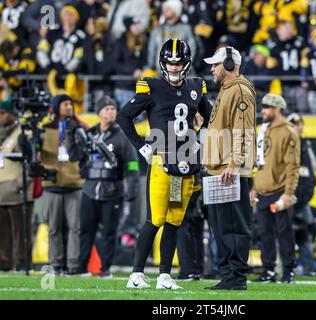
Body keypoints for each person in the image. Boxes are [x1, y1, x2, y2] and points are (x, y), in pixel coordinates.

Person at [117, 39, 212, 290]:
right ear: (163, 63)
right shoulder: (151, 86)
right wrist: (141, 145)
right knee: (156, 218)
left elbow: (210, 115)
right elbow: (124, 116)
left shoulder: (196, 86)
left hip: (186, 162)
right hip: (161, 160)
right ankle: (136, 274)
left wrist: (201, 139)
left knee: (175, 220)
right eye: (170, 62)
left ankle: (164, 276)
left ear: (186, 63)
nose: (173, 67)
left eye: (178, 62)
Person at [202, 46, 256, 290]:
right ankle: (227, 276)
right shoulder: (227, 90)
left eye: (215, 64)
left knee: (233, 226)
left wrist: (234, 163)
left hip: (228, 170)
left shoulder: (240, 91)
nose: (212, 69)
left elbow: (242, 130)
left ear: (230, 64)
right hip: (217, 169)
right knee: (220, 227)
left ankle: (237, 278)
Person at [78, 96, 140, 278]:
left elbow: (133, 164)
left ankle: (105, 268)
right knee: (85, 230)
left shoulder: (123, 136)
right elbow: (80, 159)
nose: (111, 111)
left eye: (113, 109)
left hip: (113, 191)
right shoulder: (89, 134)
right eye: (107, 109)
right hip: (89, 190)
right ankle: (81, 268)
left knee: (109, 233)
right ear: (99, 113)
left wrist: (132, 188)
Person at [250, 93, 300, 284]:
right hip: (263, 191)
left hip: (280, 191)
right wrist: (255, 187)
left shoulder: (288, 132)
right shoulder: (263, 129)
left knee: (285, 233)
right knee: (265, 234)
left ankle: (289, 271)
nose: (263, 111)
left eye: (267, 107)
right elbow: (258, 163)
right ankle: (268, 270)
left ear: (278, 109)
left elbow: (293, 166)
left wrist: (288, 193)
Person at [40, 94, 86, 275]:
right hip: (52, 183)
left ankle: (73, 265)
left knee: (75, 228)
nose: (69, 107)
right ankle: (55, 264)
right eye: (66, 104)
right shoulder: (45, 128)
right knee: (53, 229)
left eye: (71, 103)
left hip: (74, 183)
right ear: (57, 106)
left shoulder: (79, 128)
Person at [287, 112, 316, 276]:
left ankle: (309, 268)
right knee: (283, 233)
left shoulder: (305, 145)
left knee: (307, 233)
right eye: (295, 123)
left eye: (300, 123)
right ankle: (283, 269)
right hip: (286, 197)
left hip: (301, 199)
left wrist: (307, 194)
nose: (298, 126)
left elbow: (311, 174)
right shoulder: (285, 143)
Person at [0, 99, 33, 271]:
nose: (0, 117)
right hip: (1, 192)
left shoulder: (22, 132)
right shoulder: (2, 133)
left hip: (17, 191)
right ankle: (4, 264)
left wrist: (21, 184)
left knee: (20, 233)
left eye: (3, 113)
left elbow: (29, 160)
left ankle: (22, 264)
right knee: (2, 233)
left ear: (13, 114)